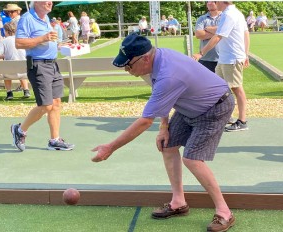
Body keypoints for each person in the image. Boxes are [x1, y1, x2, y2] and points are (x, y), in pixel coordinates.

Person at [91, 33, 235, 232]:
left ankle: (224, 212)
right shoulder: (154, 62)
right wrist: (163, 127)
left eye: (128, 65)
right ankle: (178, 202)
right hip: (188, 105)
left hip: (214, 106)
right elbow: (163, 98)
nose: (126, 69)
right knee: (167, 145)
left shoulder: (168, 73)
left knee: (192, 159)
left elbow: (144, 121)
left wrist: (110, 147)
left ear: (145, 58)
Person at [12, 1, 74, 152]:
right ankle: (20, 130)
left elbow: (48, 40)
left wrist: (61, 46)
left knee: (56, 103)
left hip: (53, 64)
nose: (50, 2)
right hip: (38, 65)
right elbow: (19, 43)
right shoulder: (27, 18)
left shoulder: (46, 18)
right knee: (46, 105)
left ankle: (54, 140)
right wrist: (44, 38)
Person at [192, 1, 250, 132]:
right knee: (218, 88)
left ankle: (242, 121)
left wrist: (201, 53)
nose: (212, 2)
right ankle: (220, 116)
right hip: (225, 58)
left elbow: (218, 36)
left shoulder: (229, 15)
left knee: (236, 88)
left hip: (231, 58)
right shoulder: (235, 13)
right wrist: (246, 54)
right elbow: (244, 33)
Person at [0, 22, 30, 100]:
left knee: (7, 70)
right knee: (20, 66)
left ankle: (9, 93)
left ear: (5, 31)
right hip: (25, 72)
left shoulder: (4, 41)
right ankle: (26, 90)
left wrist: (1, 56)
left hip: (10, 73)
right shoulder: (22, 40)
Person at [2, 3, 30, 96]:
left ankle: (20, 89)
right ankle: (25, 89)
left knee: (15, 63)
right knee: (20, 64)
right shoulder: (17, 20)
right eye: (8, 12)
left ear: (18, 11)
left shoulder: (19, 20)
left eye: (12, 11)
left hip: (19, 44)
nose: (10, 13)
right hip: (19, 45)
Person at [195, 1, 221, 73]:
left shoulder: (225, 17)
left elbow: (228, 32)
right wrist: (220, 34)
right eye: (207, 2)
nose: (209, 3)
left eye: (212, 1)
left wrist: (207, 29)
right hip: (205, 59)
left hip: (222, 59)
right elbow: (198, 34)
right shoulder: (202, 18)